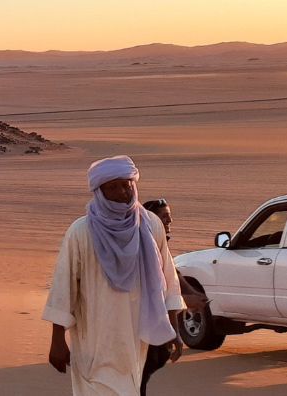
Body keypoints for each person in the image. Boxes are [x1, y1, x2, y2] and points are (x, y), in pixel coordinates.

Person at [43, 156, 185, 395]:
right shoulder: (81, 231)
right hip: (94, 338)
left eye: (126, 185)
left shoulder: (150, 224)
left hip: (134, 336)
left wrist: (174, 330)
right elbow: (64, 286)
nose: (122, 193)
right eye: (112, 187)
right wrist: (57, 339)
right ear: (99, 191)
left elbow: (168, 279)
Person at [137, 198, 208, 396]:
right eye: (164, 216)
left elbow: (173, 275)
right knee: (140, 375)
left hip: (157, 325)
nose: (169, 220)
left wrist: (189, 292)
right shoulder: (143, 248)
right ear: (151, 220)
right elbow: (151, 291)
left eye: (169, 216)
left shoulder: (159, 245)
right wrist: (186, 300)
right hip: (143, 325)